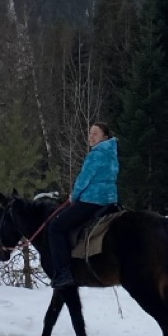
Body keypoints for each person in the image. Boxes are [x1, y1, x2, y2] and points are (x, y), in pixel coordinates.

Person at [47, 122, 119, 288]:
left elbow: (84, 179)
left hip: (92, 200)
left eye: (95, 133)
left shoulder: (96, 154)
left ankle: (64, 272)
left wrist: (74, 196)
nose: (91, 137)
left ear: (105, 137)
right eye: (89, 133)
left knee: (56, 227)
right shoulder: (112, 153)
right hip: (110, 199)